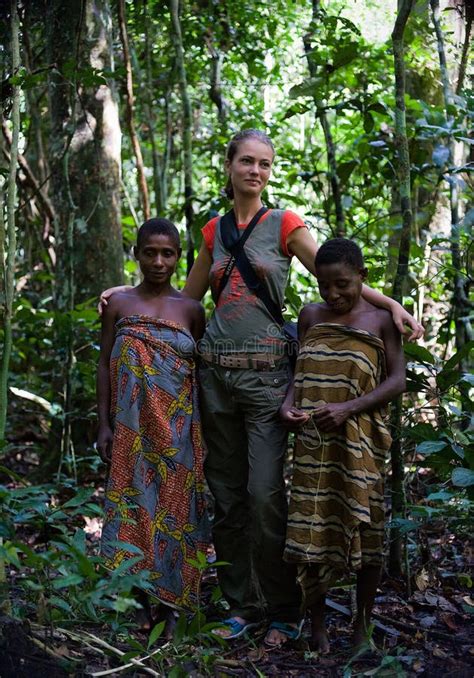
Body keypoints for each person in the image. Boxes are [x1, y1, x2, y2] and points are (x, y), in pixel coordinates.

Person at [99, 129, 422, 647]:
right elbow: (183, 299)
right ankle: (240, 606)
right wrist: (127, 292)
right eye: (246, 161)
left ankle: (282, 608)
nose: (255, 171)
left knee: (266, 494)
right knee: (226, 498)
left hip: (270, 376)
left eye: (265, 164)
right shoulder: (213, 231)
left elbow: (335, 274)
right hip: (214, 377)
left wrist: (391, 305)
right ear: (228, 166)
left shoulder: (285, 224)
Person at [281, 238, 406, 653]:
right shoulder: (309, 316)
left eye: (343, 285)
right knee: (312, 529)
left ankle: (361, 629)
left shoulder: (381, 320)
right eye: (324, 285)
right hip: (314, 446)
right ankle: (317, 629)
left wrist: (348, 408)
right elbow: (298, 375)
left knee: (367, 531)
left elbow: (396, 381)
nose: (333, 295)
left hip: (361, 446)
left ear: (363, 278)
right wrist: (287, 409)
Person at [97, 218, 209, 634]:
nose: (158, 261)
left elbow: (198, 375)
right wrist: (103, 424)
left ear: (180, 258)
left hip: (179, 430)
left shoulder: (192, 310)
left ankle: (172, 602)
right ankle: (137, 597)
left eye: (168, 253)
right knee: (135, 505)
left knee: (175, 512)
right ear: (137, 255)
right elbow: (105, 363)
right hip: (130, 428)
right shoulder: (119, 304)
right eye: (150, 252)